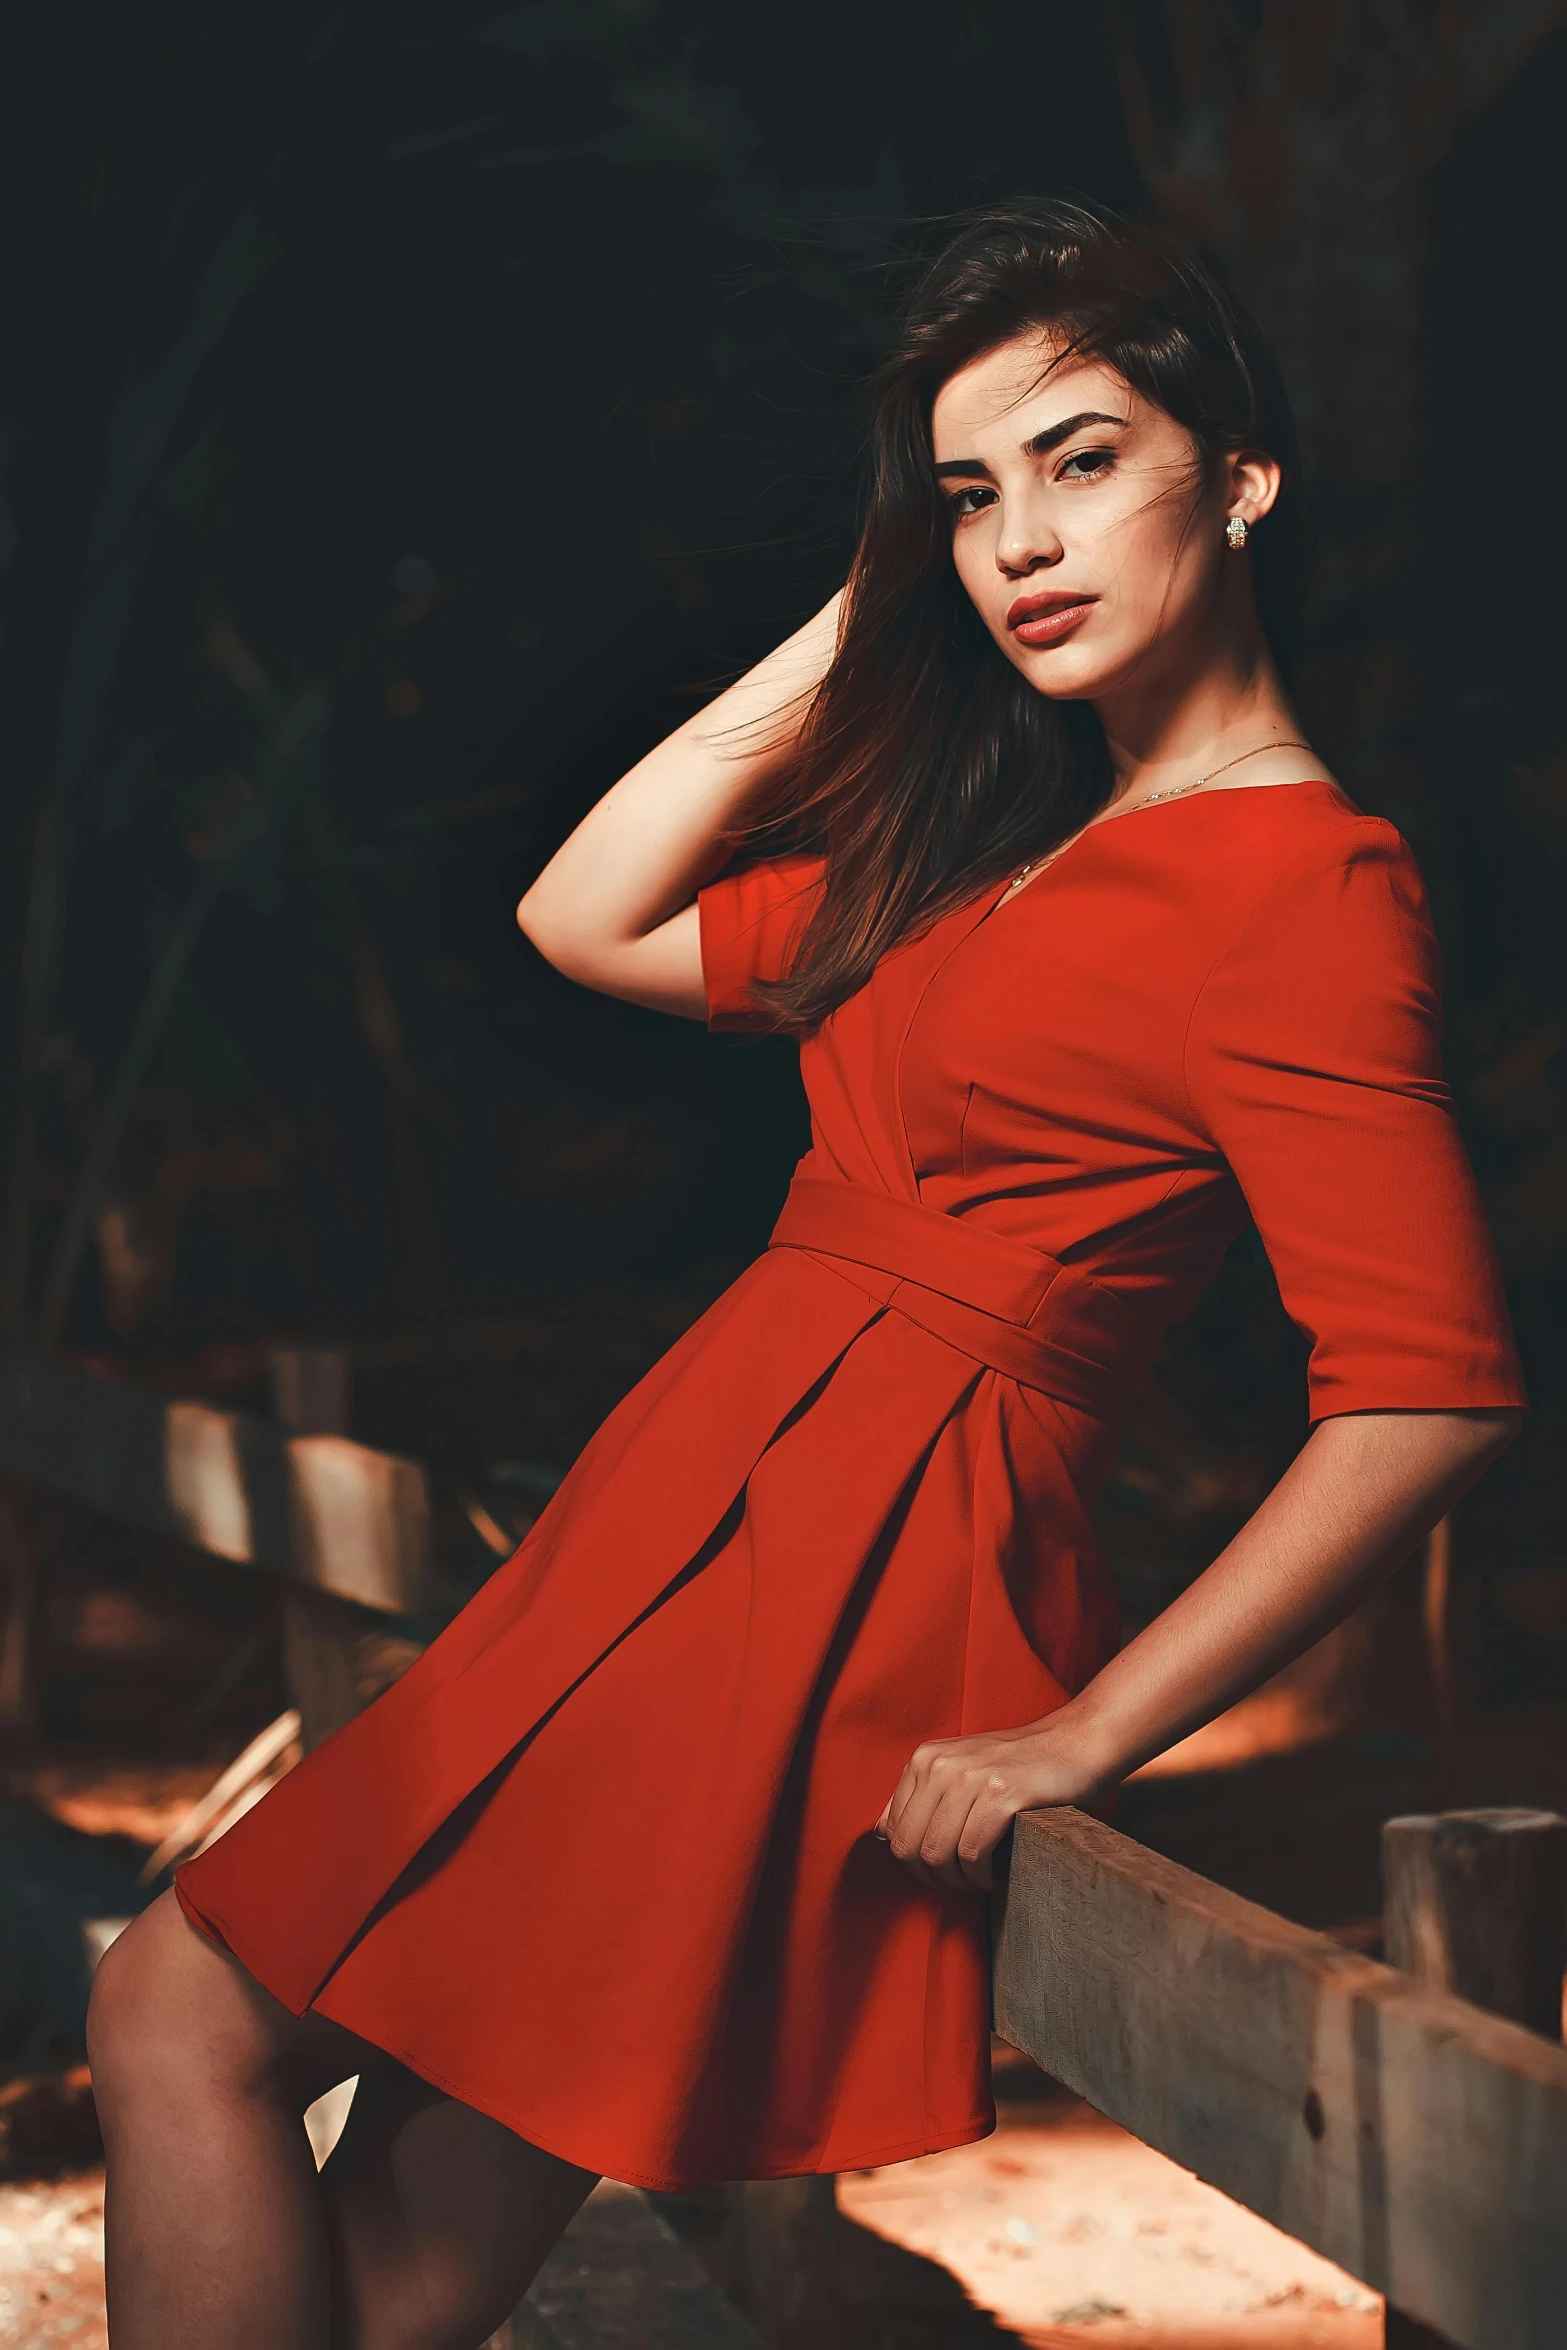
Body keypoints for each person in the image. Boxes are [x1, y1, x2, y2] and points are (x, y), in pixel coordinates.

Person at [87, 199, 1524, 2348]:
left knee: (167, 2000)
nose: (1021, 538)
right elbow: (586, 915)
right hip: (690, 1507)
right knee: (387, 2271)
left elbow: (1426, 1388)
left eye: (1082, 457)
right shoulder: (1010, 840)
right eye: (969, 497)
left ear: (1241, 476)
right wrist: (865, 616)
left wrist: (1091, 1726)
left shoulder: (1306, 888)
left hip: (836, 1573)